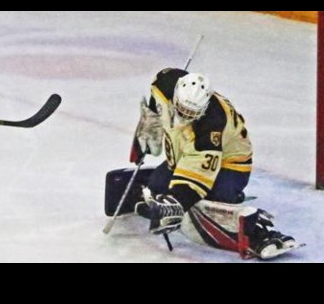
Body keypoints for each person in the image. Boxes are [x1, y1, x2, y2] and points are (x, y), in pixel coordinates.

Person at [115, 67, 300, 260]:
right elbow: (156, 101)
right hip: (185, 155)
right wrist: (150, 122)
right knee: (156, 189)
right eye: (183, 109)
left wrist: (176, 203)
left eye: (192, 113)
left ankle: (258, 229)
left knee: (204, 201)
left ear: (203, 108)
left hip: (231, 164)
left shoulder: (210, 126)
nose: (185, 116)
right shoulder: (165, 82)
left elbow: (195, 180)